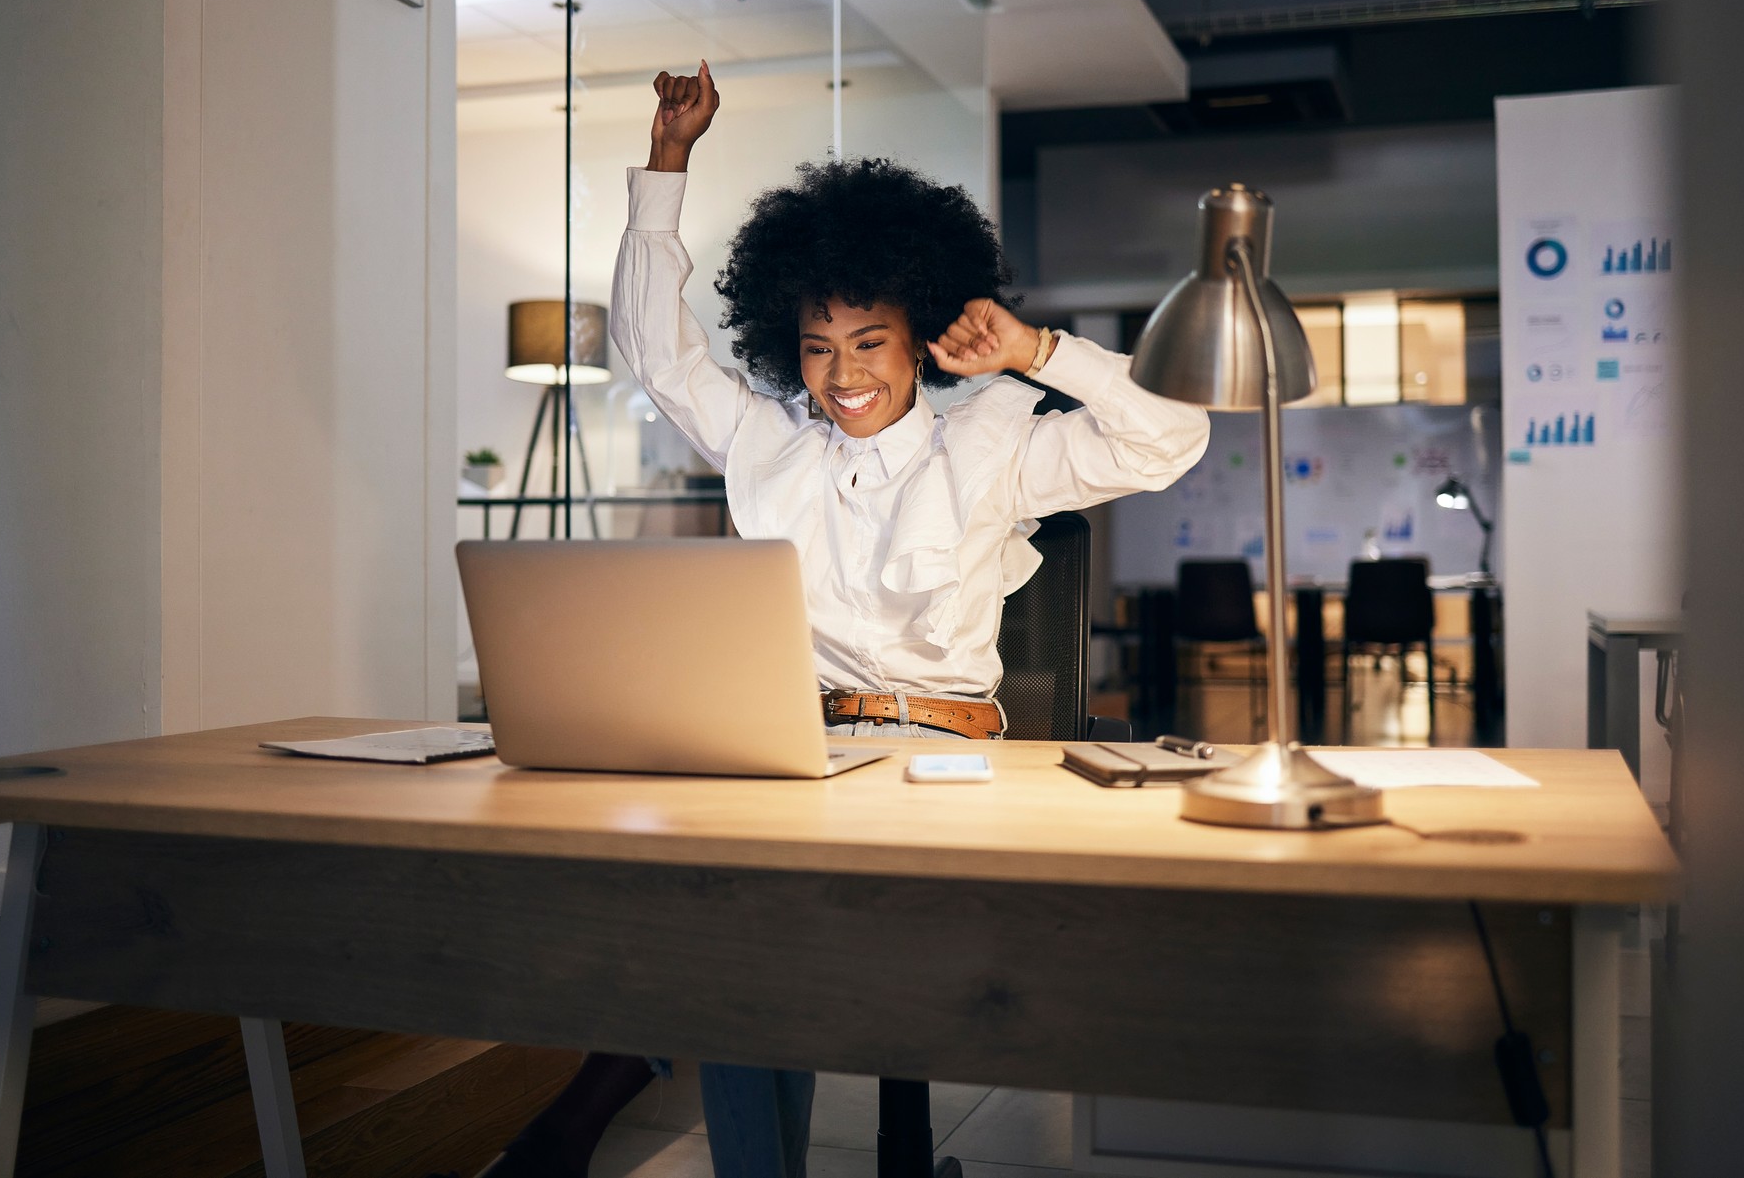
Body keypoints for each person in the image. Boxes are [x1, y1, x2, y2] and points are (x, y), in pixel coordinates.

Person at [478, 60, 1212, 1178]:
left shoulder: (996, 441)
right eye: (818, 347)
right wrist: (667, 161)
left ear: (918, 338)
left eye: (869, 342)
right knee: (706, 903)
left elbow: (1172, 437)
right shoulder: (769, 439)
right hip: (794, 751)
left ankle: (577, 1122)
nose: (842, 373)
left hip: (941, 764)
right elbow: (656, 350)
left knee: (742, 926)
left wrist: (1036, 351)